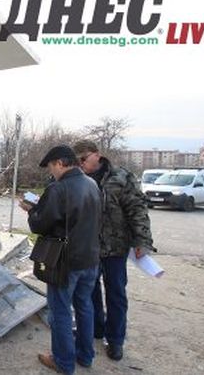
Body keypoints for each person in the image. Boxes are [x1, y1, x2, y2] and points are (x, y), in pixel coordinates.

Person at [20, 145, 102, 374]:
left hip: (65, 261)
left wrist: (31, 210)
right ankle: (85, 356)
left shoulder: (58, 189)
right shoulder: (91, 183)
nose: (51, 172)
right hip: (90, 258)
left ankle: (64, 362)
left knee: (60, 313)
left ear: (59, 163)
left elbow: (39, 225)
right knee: (85, 307)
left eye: (50, 167)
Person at [73, 140, 155, 361]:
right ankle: (95, 328)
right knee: (88, 291)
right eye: (77, 160)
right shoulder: (76, 179)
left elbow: (137, 208)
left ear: (97, 155)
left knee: (116, 293)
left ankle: (116, 339)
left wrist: (142, 240)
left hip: (115, 247)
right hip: (88, 247)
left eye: (84, 158)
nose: (81, 163)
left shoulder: (120, 177)